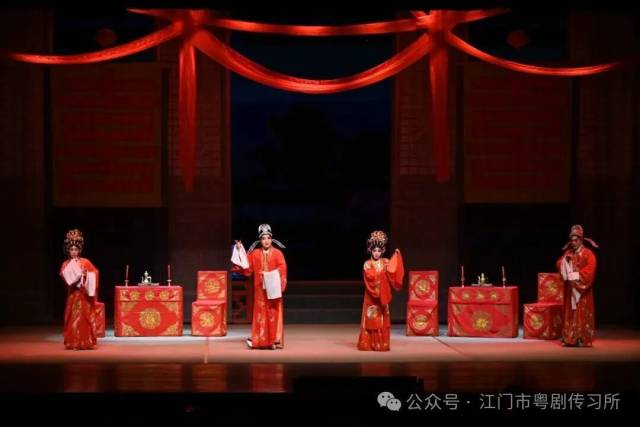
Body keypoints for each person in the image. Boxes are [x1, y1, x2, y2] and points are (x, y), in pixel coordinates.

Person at [232, 224, 287, 349]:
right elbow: (246, 268)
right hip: (260, 290)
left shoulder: (278, 253)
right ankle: (261, 341)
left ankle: (273, 340)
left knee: (273, 314)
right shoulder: (255, 254)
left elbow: (282, 269)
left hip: (273, 289)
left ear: (271, 239)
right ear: (260, 240)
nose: (266, 241)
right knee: (260, 315)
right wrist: (240, 250)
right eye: (263, 238)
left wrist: (270, 275)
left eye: (268, 238)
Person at [358, 230, 404, 351]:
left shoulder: (385, 262)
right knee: (372, 317)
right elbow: (370, 278)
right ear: (370, 250)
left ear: (382, 251)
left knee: (382, 318)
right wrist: (382, 274)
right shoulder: (367, 264)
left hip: (382, 296)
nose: (377, 253)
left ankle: (381, 343)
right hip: (371, 296)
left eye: (379, 251)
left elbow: (393, 271)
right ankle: (370, 343)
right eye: (374, 250)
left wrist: (397, 257)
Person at [556, 224, 598, 347]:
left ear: (581, 240)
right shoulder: (568, 253)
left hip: (583, 290)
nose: (573, 243)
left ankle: (581, 338)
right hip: (571, 289)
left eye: (576, 240)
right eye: (572, 240)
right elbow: (559, 263)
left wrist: (576, 275)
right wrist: (565, 261)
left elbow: (590, 269)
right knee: (571, 313)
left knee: (582, 313)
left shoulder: (588, 254)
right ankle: (569, 337)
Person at [59, 229, 100, 350]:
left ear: (79, 250)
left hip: (84, 295)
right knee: (72, 318)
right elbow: (64, 277)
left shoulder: (85, 262)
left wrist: (86, 274)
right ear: (68, 250)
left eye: (76, 249)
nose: (74, 252)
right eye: (71, 249)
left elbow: (95, 273)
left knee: (84, 318)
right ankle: (73, 342)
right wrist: (74, 275)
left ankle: (85, 342)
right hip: (73, 295)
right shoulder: (65, 264)